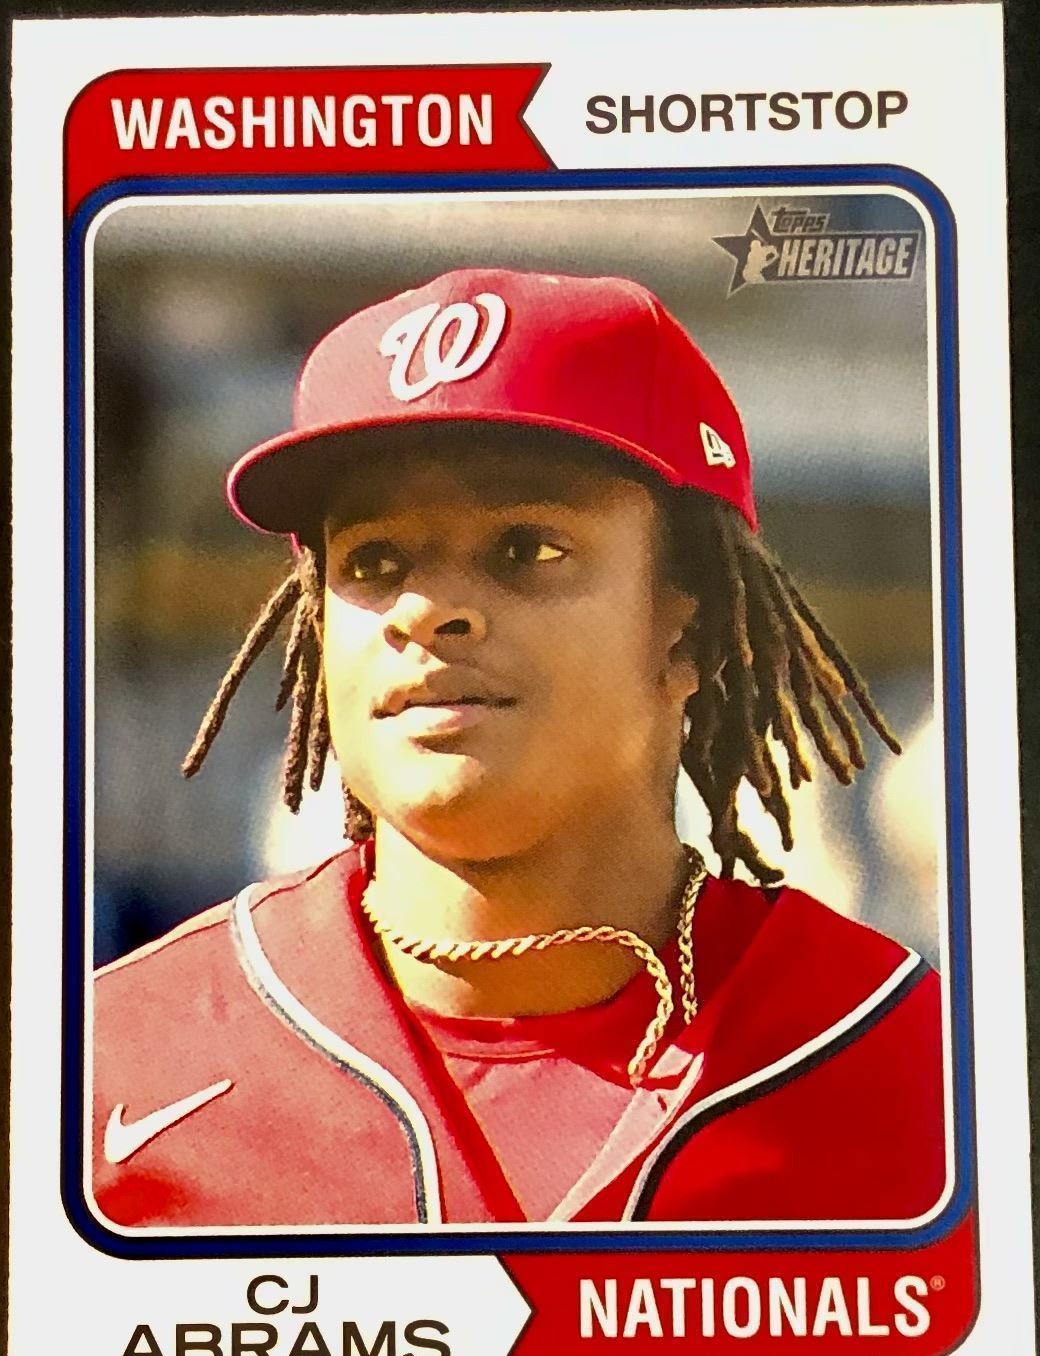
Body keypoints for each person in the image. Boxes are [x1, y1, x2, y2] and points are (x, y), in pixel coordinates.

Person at [92, 267, 945, 1228]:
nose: (426, 609)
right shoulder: (112, 1062)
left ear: (693, 631)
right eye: (373, 560)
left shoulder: (921, 1067)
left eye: (527, 548)